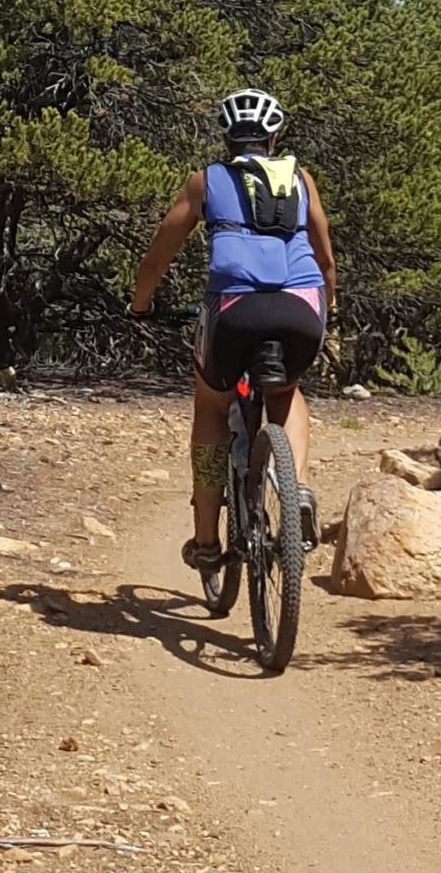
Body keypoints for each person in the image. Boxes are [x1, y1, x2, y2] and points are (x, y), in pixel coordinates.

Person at [129, 87, 334, 574]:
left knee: (212, 406)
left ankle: (205, 540)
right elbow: (325, 259)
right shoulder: (300, 180)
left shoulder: (206, 182)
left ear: (227, 137)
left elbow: (160, 254)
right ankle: (297, 487)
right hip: (301, 309)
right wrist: (331, 306)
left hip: (235, 309)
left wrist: (140, 305)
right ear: (274, 136)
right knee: (288, 395)